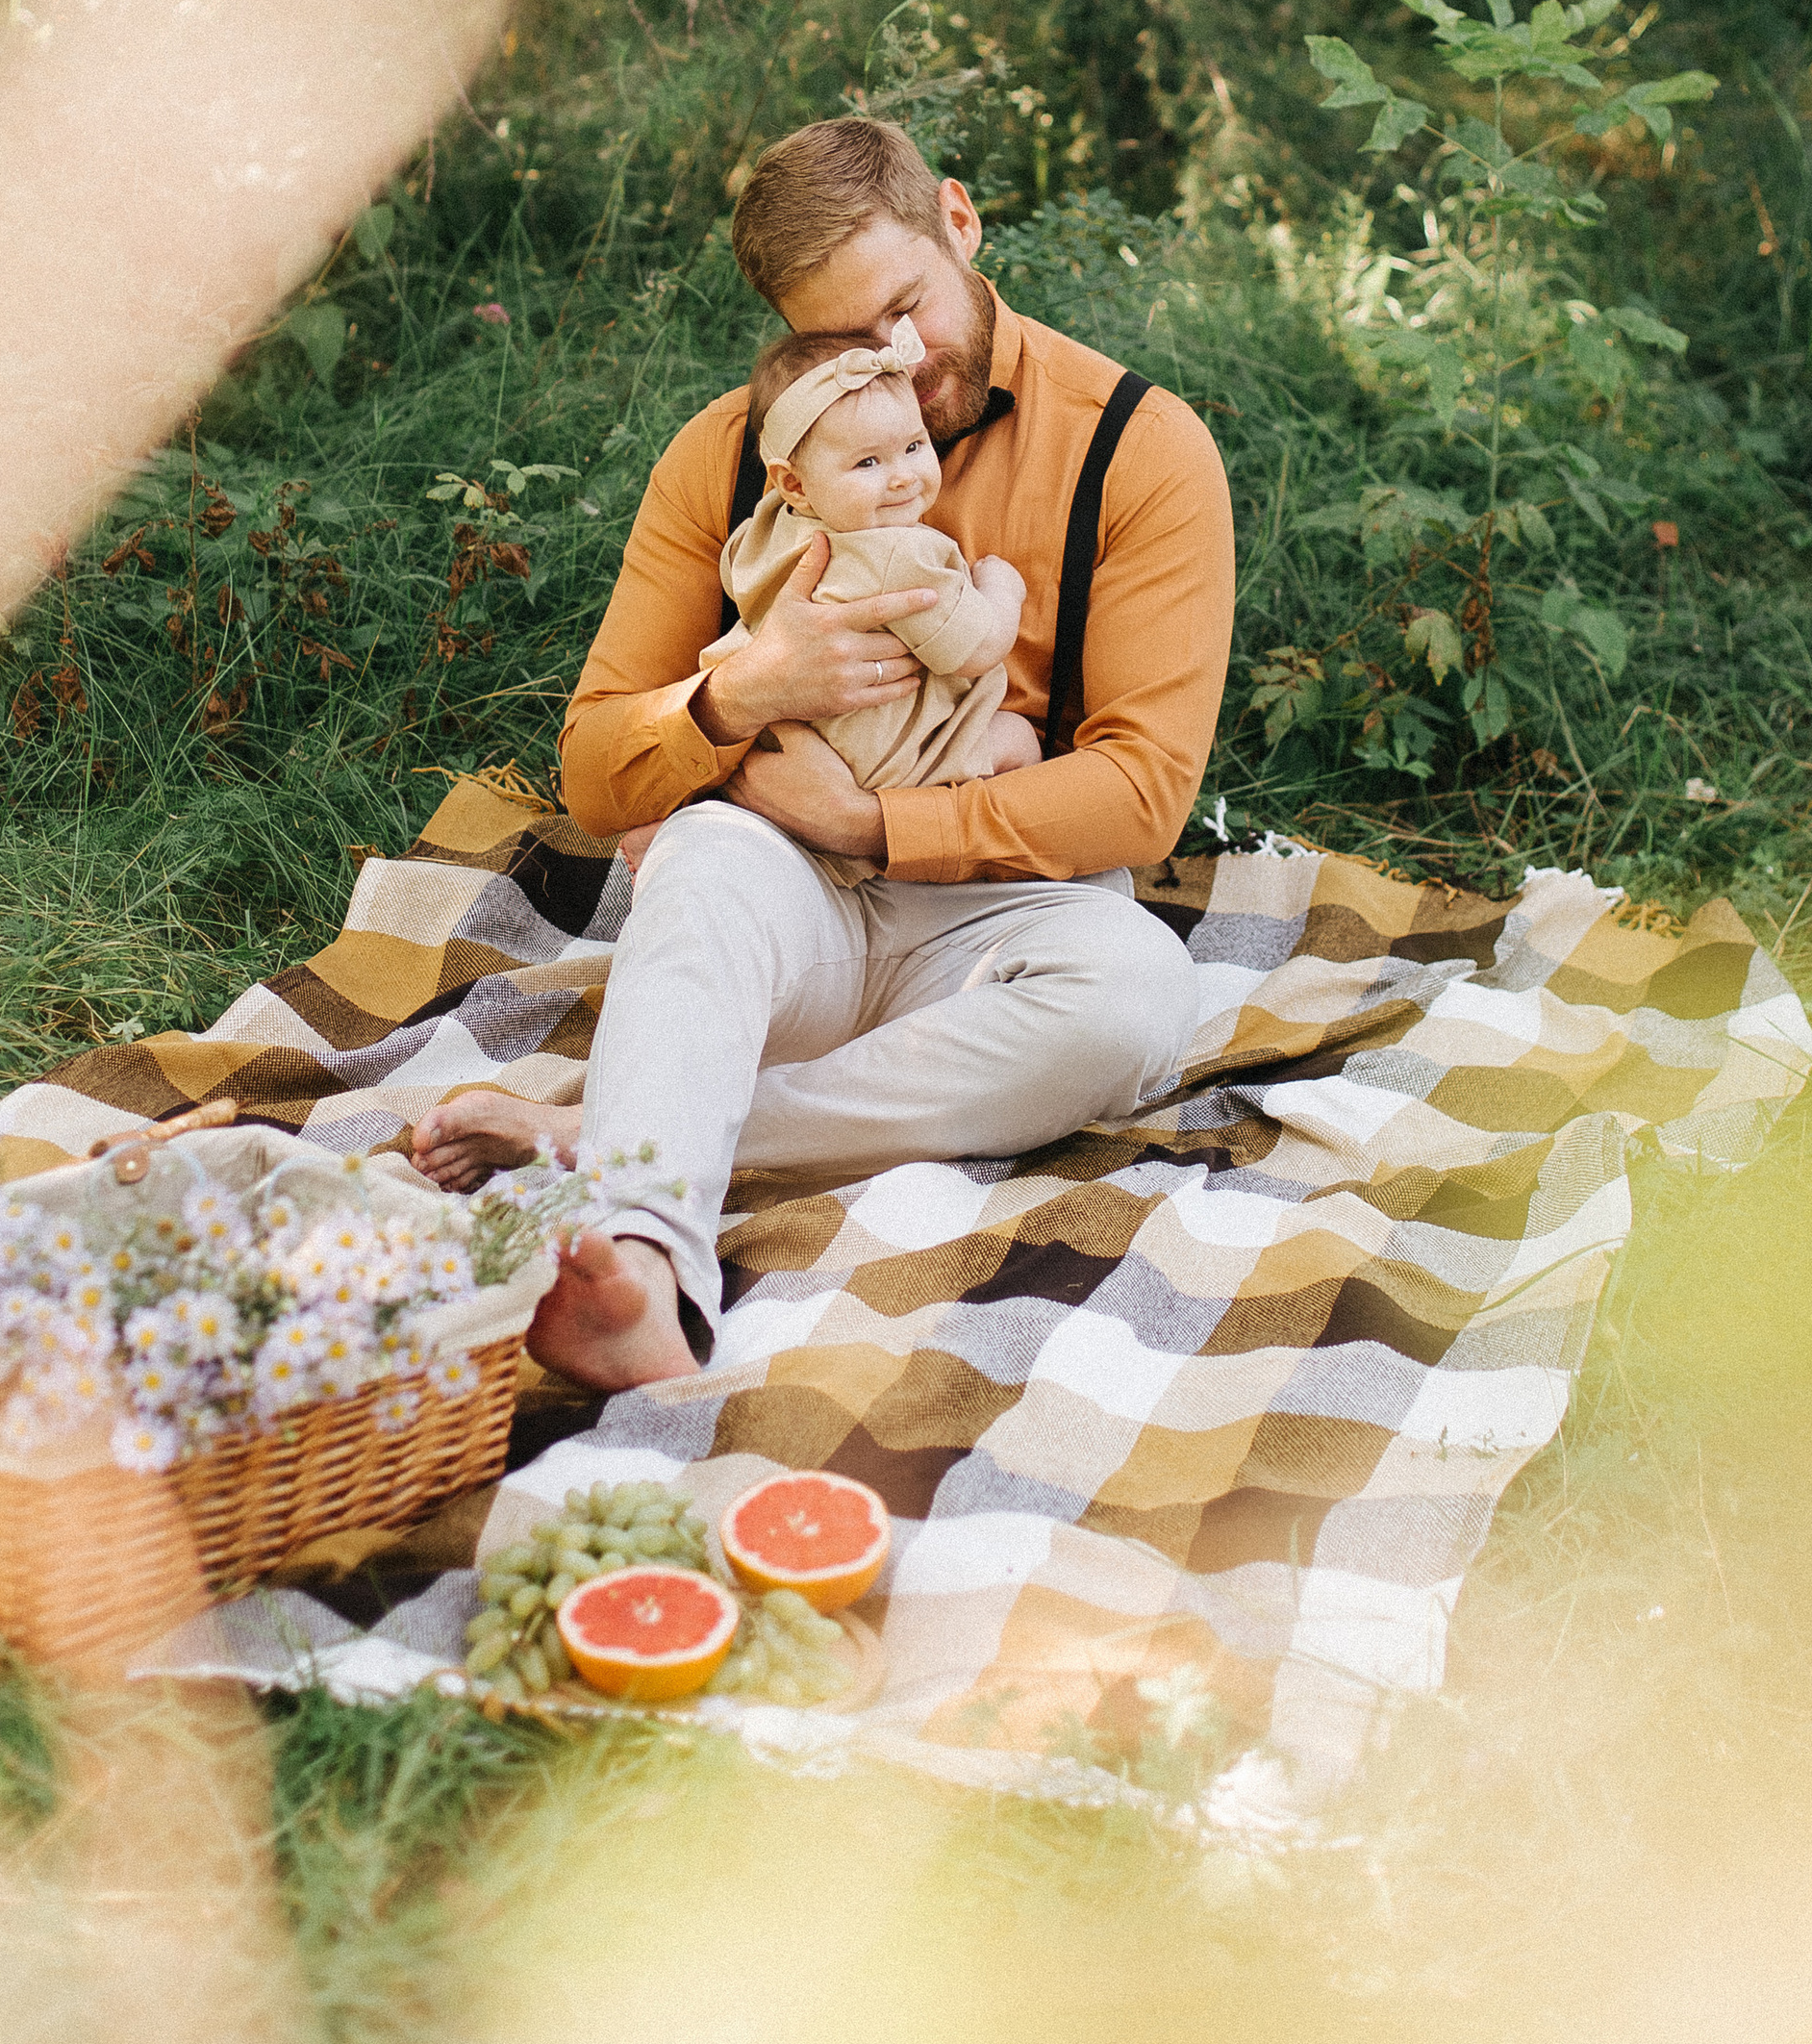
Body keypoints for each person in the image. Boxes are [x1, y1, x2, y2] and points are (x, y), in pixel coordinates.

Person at [415, 115, 1236, 1388]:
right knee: (696, 852)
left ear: (959, 224)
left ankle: (618, 1131)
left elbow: (1142, 794)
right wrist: (739, 696)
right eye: (849, 342)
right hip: (780, 909)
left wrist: (876, 825)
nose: (896, 361)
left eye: (907, 307)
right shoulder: (732, 454)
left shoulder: (1140, 448)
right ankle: (645, 1266)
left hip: (1002, 924)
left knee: (1136, 999)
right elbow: (594, 766)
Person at [705, 315, 1044, 852]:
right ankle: (994, 864)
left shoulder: (767, 527)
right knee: (1017, 738)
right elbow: (978, 649)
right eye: (868, 462)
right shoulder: (898, 552)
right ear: (794, 482)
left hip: (797, 743)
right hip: (887, 760)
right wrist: (1000, 587)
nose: (904, 475)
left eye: (914, 445)